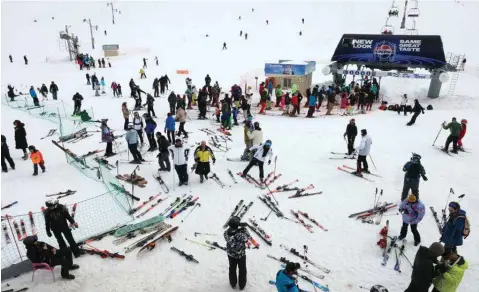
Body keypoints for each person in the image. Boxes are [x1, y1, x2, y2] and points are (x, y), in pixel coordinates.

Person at [224, 216, 251, 290]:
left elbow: (246, 237)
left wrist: (240, 228)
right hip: (240, 255)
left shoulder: (226, 232)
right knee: (241, 270)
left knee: (233, 269)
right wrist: (243, 230)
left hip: (231, 254)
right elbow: (247, 238)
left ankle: (234, 284)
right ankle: (240, 285)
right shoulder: (240, 234)